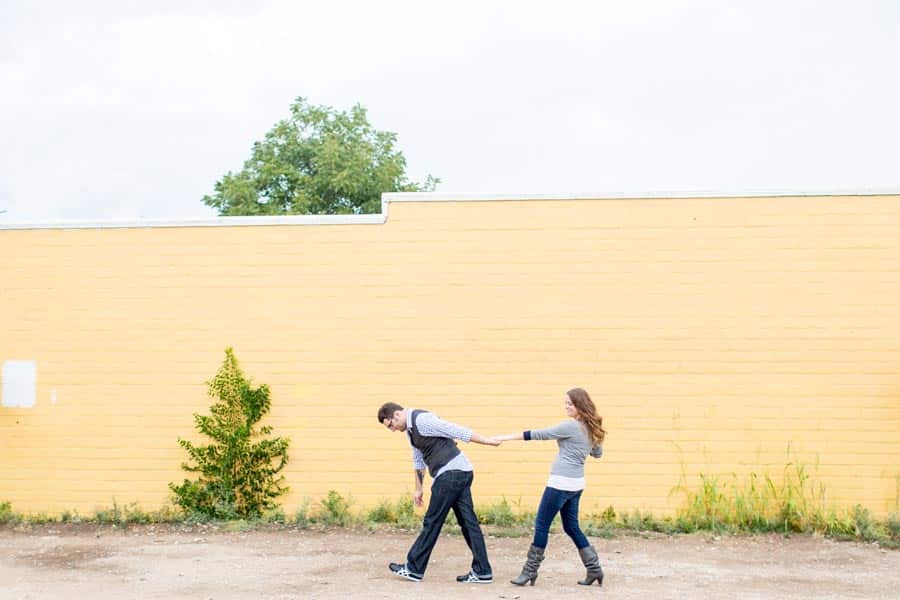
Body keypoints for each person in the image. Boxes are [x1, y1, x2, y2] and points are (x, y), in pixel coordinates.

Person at [493, 387, 607, 586]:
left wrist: (507, 437)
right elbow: (597, 454)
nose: (566, 407)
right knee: (572, 527)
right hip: (576, 484)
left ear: (580, 405)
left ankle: (529, 572)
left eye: (570, 404)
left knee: (541, 525)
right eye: (565, 403)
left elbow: (541, 434)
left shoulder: (571, 426)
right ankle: (594, 569)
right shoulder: (591, 428)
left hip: (560, 483)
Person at [377, 402, 499, 584]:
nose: (392, 430)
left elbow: (455, 430)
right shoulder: (410, 430)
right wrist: (418, 489)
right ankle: (483, 571)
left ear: (396, 415)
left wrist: (486, 441)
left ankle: (414, 568)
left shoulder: (422, 420)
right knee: (468, 523)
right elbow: (418, 459)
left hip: (450, 473)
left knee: (432, 521)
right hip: (460, 471)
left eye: (390, 426)